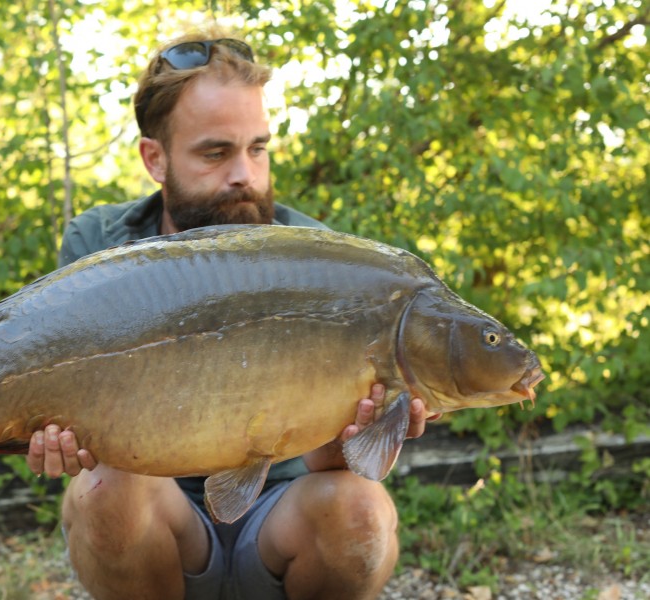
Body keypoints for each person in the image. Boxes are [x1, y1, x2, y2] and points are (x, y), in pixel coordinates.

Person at [25, 29, 438, 600]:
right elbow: (67, 418)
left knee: (362, 510)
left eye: (258, 148)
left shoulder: (326, 264)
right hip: (161, 522)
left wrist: (371, 427)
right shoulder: (100, 248)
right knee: (104, 491)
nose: (244, 173)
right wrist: (46, 430)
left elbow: (329, 463)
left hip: (280, 520)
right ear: (155, 158)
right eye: (216, 153)